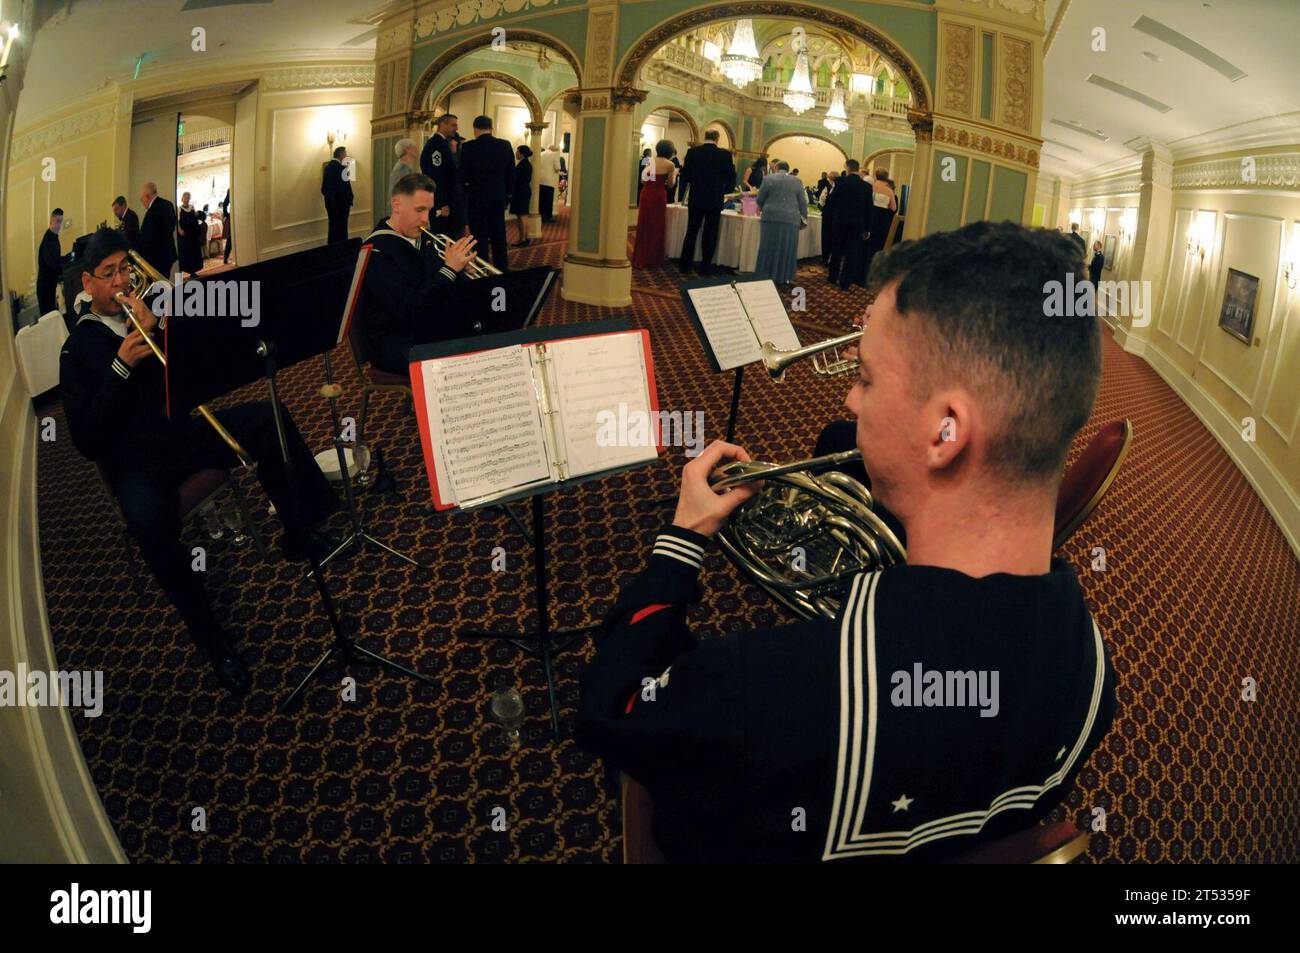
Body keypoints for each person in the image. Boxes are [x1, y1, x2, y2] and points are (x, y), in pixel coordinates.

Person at [577, 220, 1115, 863]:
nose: (850, 400)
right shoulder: (1096, 674)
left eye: (865, 377)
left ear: (946, 431)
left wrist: (681, 542)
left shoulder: (763, 691)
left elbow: (614, 707)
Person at [59, 227, 341, 695]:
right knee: (149, 524)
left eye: (124, 269)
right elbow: (87, 439)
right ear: (88, 284)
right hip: (133, 462)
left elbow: (189, 374)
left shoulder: (144, 314)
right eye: (108, 275)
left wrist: (166, 330)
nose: (121, 281)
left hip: (178, 434)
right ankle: (213, 642)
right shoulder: (77, 350)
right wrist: (121, 366)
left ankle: (300, 529)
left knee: (269, 417)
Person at [358, 173, 477, 376]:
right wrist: (449, 270)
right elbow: (409, 310)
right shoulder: (376, 251)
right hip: (392, 341)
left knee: (482, 335)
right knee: (463, 358)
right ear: (396, 206)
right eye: (419, 210)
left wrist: (460, 272)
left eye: (429, 211)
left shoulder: (422, 240)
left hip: (422, 329)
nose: (425, 219)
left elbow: (437, 290)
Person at [458, 115, 515, 273]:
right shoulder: (504, 145)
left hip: (476, 197)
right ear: (491, 128)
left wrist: (465, 194)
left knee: (479, 236)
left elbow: (463, 175)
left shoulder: (468, 147)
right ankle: (501, 268)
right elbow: (511, 173)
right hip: (498, 196)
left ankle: (482, 268)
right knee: (498, 235)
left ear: (475, 129)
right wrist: (508, 196)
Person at [676, 129, 736, 276]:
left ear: (705, 137)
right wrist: (723, 190)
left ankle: (685, 265)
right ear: (717, 138)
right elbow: (731, 177)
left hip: (696, 197)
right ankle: (705, 267)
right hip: (714, 198)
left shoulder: (693, 152)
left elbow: (686, 175)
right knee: (710, 233)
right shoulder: (725, 155)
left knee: (691, 231)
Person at [753, 160, 807, 284]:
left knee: (768, 247)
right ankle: (785, 277)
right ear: (788, 169)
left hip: (770, 217)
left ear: (776, 168)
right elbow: (802, 202)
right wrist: (803, 218)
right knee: (787, 248)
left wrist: (762, 208)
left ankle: (764, 275)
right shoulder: (797, 181)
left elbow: (760, 199)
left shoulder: (768, 179)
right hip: (791, 219)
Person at [823, 159, 872, 289]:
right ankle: (845, 283)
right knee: (852, 253)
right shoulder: (866, 187)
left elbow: (832, 201)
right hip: (857, 224)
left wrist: (829, 217)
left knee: (837, 250)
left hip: (840, 221)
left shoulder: (840, 181)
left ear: (847, 168)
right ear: (858, 169)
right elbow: (868, 209)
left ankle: (832, 278)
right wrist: (867, 228)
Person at [631, 139, 678, 269]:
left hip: (646, 194)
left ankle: (642, 255)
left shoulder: (649, 161)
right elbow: (670, 185)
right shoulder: (670, 165)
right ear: (669, 151)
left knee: (645, 223)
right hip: (658, 195)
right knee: (656, 225)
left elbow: (643, 179)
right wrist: (674, 174)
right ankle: (653, 258)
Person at [420, 114, 461, 236]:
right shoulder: (436, 144)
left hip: (446, 199)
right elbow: (436, 176)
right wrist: (441, 204)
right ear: (442, 125)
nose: (456, 129)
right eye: (453, 125)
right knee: (443, 236)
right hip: (442, 201)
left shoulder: (442, 143)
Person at [861, 169, 899, 284]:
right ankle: (873, 274)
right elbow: (893, 208)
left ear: (875, 176)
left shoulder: (870, 187)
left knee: (865, 245)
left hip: (870, 216)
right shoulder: (889, 190)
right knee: (877, 247)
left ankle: (861, 272)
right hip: (882, 220)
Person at [137, 182, 178, 278]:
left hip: (157, 258)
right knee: (164, 283)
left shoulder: (153, 211)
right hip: (168, 254)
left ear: (147, 196)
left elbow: (150, 238)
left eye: (141, 199)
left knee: (159, 287)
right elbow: (172, 226)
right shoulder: (168, 204)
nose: (142, 202)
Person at [320, 146, 354, 244]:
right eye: (345, 154)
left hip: (330, 205)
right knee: (342, 231)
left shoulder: (328, 168)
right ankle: (342, 249)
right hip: (341, 206)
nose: (346, 156)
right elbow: (346, 188)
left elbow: (323, 189)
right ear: (341, 155)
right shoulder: (341, 168)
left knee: (332, 228)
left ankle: (331, 249)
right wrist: (349, 200)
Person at [37, 208, 66, 316]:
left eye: (61, 222)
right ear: (51, 221)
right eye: (57, 221)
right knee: (49, 319)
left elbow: (56, 259)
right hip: (45, 288)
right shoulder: (48, 239)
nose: (59, 225)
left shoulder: (53, 237)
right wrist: (65, 264)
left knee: (51, 316)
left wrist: (66, 259)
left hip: (49, 285)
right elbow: (52, 264)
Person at [509, 144, 533, 248]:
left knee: (522, 215)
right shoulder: (524, 163)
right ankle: (523, 238)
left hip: (521, 192)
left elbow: (519, 180)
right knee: (522, 215)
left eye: (517, 151)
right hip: (522, 191)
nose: (516, 153)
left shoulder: (524, 164)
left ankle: (523, 239)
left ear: (522, 153)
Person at [177, 191, 204, 276]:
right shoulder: (179, 209)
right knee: (185, 253)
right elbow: (177, 221)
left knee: (194, 252)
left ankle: (193, 272)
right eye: (185, 198)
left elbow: (195, 218)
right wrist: (179, 230)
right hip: (185, 235)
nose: (187, 199)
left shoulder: (192, 207)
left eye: (188, 198)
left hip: (193, 234)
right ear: (182, 199)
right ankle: (181, 272)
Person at [538, 144, 562, 223]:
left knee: (541, 199)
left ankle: (541, 215)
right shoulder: (554, 155)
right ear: (555, 150)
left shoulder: (541, 154)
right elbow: (557, 167)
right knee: (548, 199)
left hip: (539, 180)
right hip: (549, 180)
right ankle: (548, 217)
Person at [219, 188, 232, 264]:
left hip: (233, 215)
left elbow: (225, 203)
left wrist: (227, 214)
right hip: (233, 216)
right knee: (231, 238)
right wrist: (227, 214)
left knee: (231, 238)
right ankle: (226, 257)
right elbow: (225, 203)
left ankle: (225, 257)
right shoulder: (231, 189)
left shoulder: (231, 189)